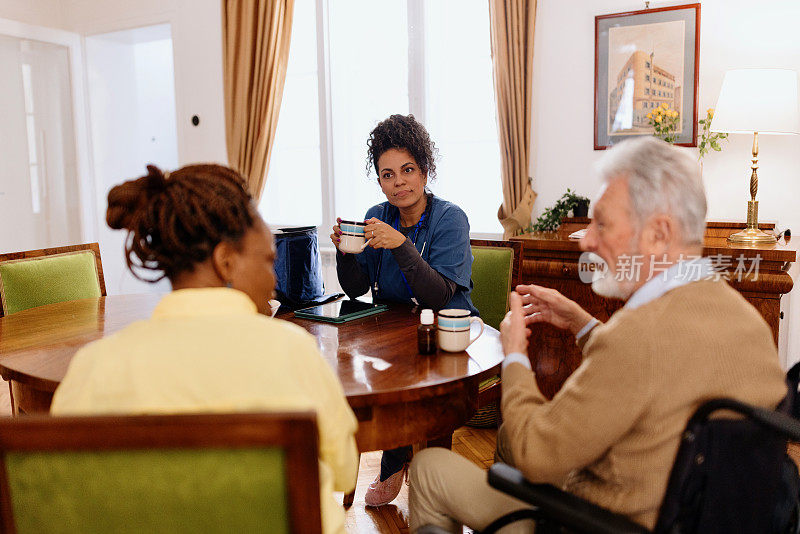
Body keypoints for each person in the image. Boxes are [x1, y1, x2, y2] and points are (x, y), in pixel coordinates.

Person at [408, 136, 788, 532]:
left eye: (602, 223)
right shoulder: (747, 321)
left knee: (429, 468)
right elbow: (655, 372)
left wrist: (516, 355)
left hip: (598, 520)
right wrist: (582, 323)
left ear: (658, 234)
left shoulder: (639, 336)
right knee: (504, 448)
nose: (586, 240)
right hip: (687, 510)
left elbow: (528, 452)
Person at [50, 164, 359, 534]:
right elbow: (345, 471)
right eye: (268, 260)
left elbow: (68, 496)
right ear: (225, 261)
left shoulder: (93, 368)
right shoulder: (292, 352)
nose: (274, 281)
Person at [331, 114, 478, 507]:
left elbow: (437, 296)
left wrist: (400, 243)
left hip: (449, 336)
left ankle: (407, 462)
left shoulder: (450, 218)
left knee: (409, 380)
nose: (399, 183)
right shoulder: (377, 214)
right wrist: (347, 253)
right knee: (369, 372)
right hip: (396, 336)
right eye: (387, 174)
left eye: (408, 170)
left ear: (425, 171)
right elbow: (358, 287)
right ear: (379, 181)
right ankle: (399, 458)